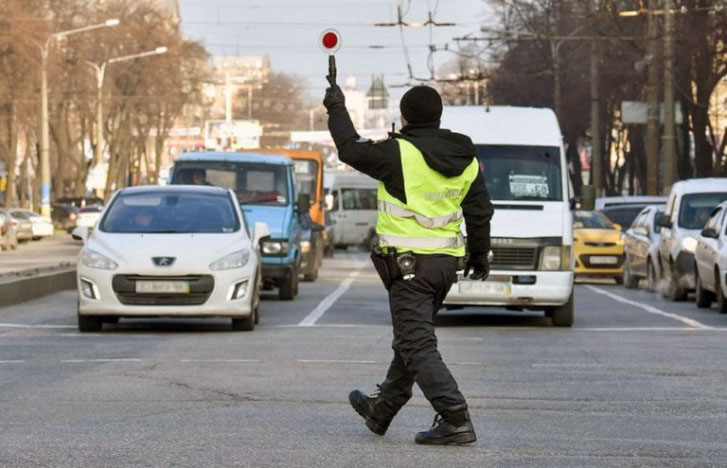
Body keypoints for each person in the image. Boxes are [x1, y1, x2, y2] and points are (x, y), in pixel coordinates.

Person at [324, 79, 494, 445]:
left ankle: (455, 416)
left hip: (408, 268)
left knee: (417, 345)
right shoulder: (466, 156)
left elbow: (349, 148)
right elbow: (479, 210)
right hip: (446, 265)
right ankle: (381, 409)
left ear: (404, 117)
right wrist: (480, 255)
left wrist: (336, 108)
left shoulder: (398, 153)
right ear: (438, 115)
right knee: (411, 338)